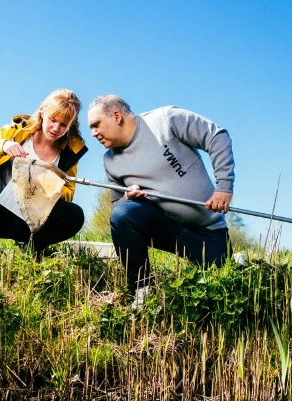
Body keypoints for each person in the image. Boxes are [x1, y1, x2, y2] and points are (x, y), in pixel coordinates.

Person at [87, 95, 235, 308]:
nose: (94, 133)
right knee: (123, 215)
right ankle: (142, 289)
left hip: (207, 232)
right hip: (166, 229)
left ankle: (234, 260)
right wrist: (128, 198)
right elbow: (117, 210)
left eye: (96, 125)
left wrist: (224, 187)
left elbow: (217, 136)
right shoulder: (110, 161)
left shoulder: (165, 119)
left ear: (116, 116)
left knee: (222, 278)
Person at [0, 89, 88, 257]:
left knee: (75, 214)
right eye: (53, 120)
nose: (56, 128)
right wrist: (3, 146)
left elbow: (69, 192)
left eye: (63, 125)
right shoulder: (15, 131)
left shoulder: (70, 151)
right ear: (42, 113)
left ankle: (32, 250)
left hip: (34, 220)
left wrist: (50, 186)